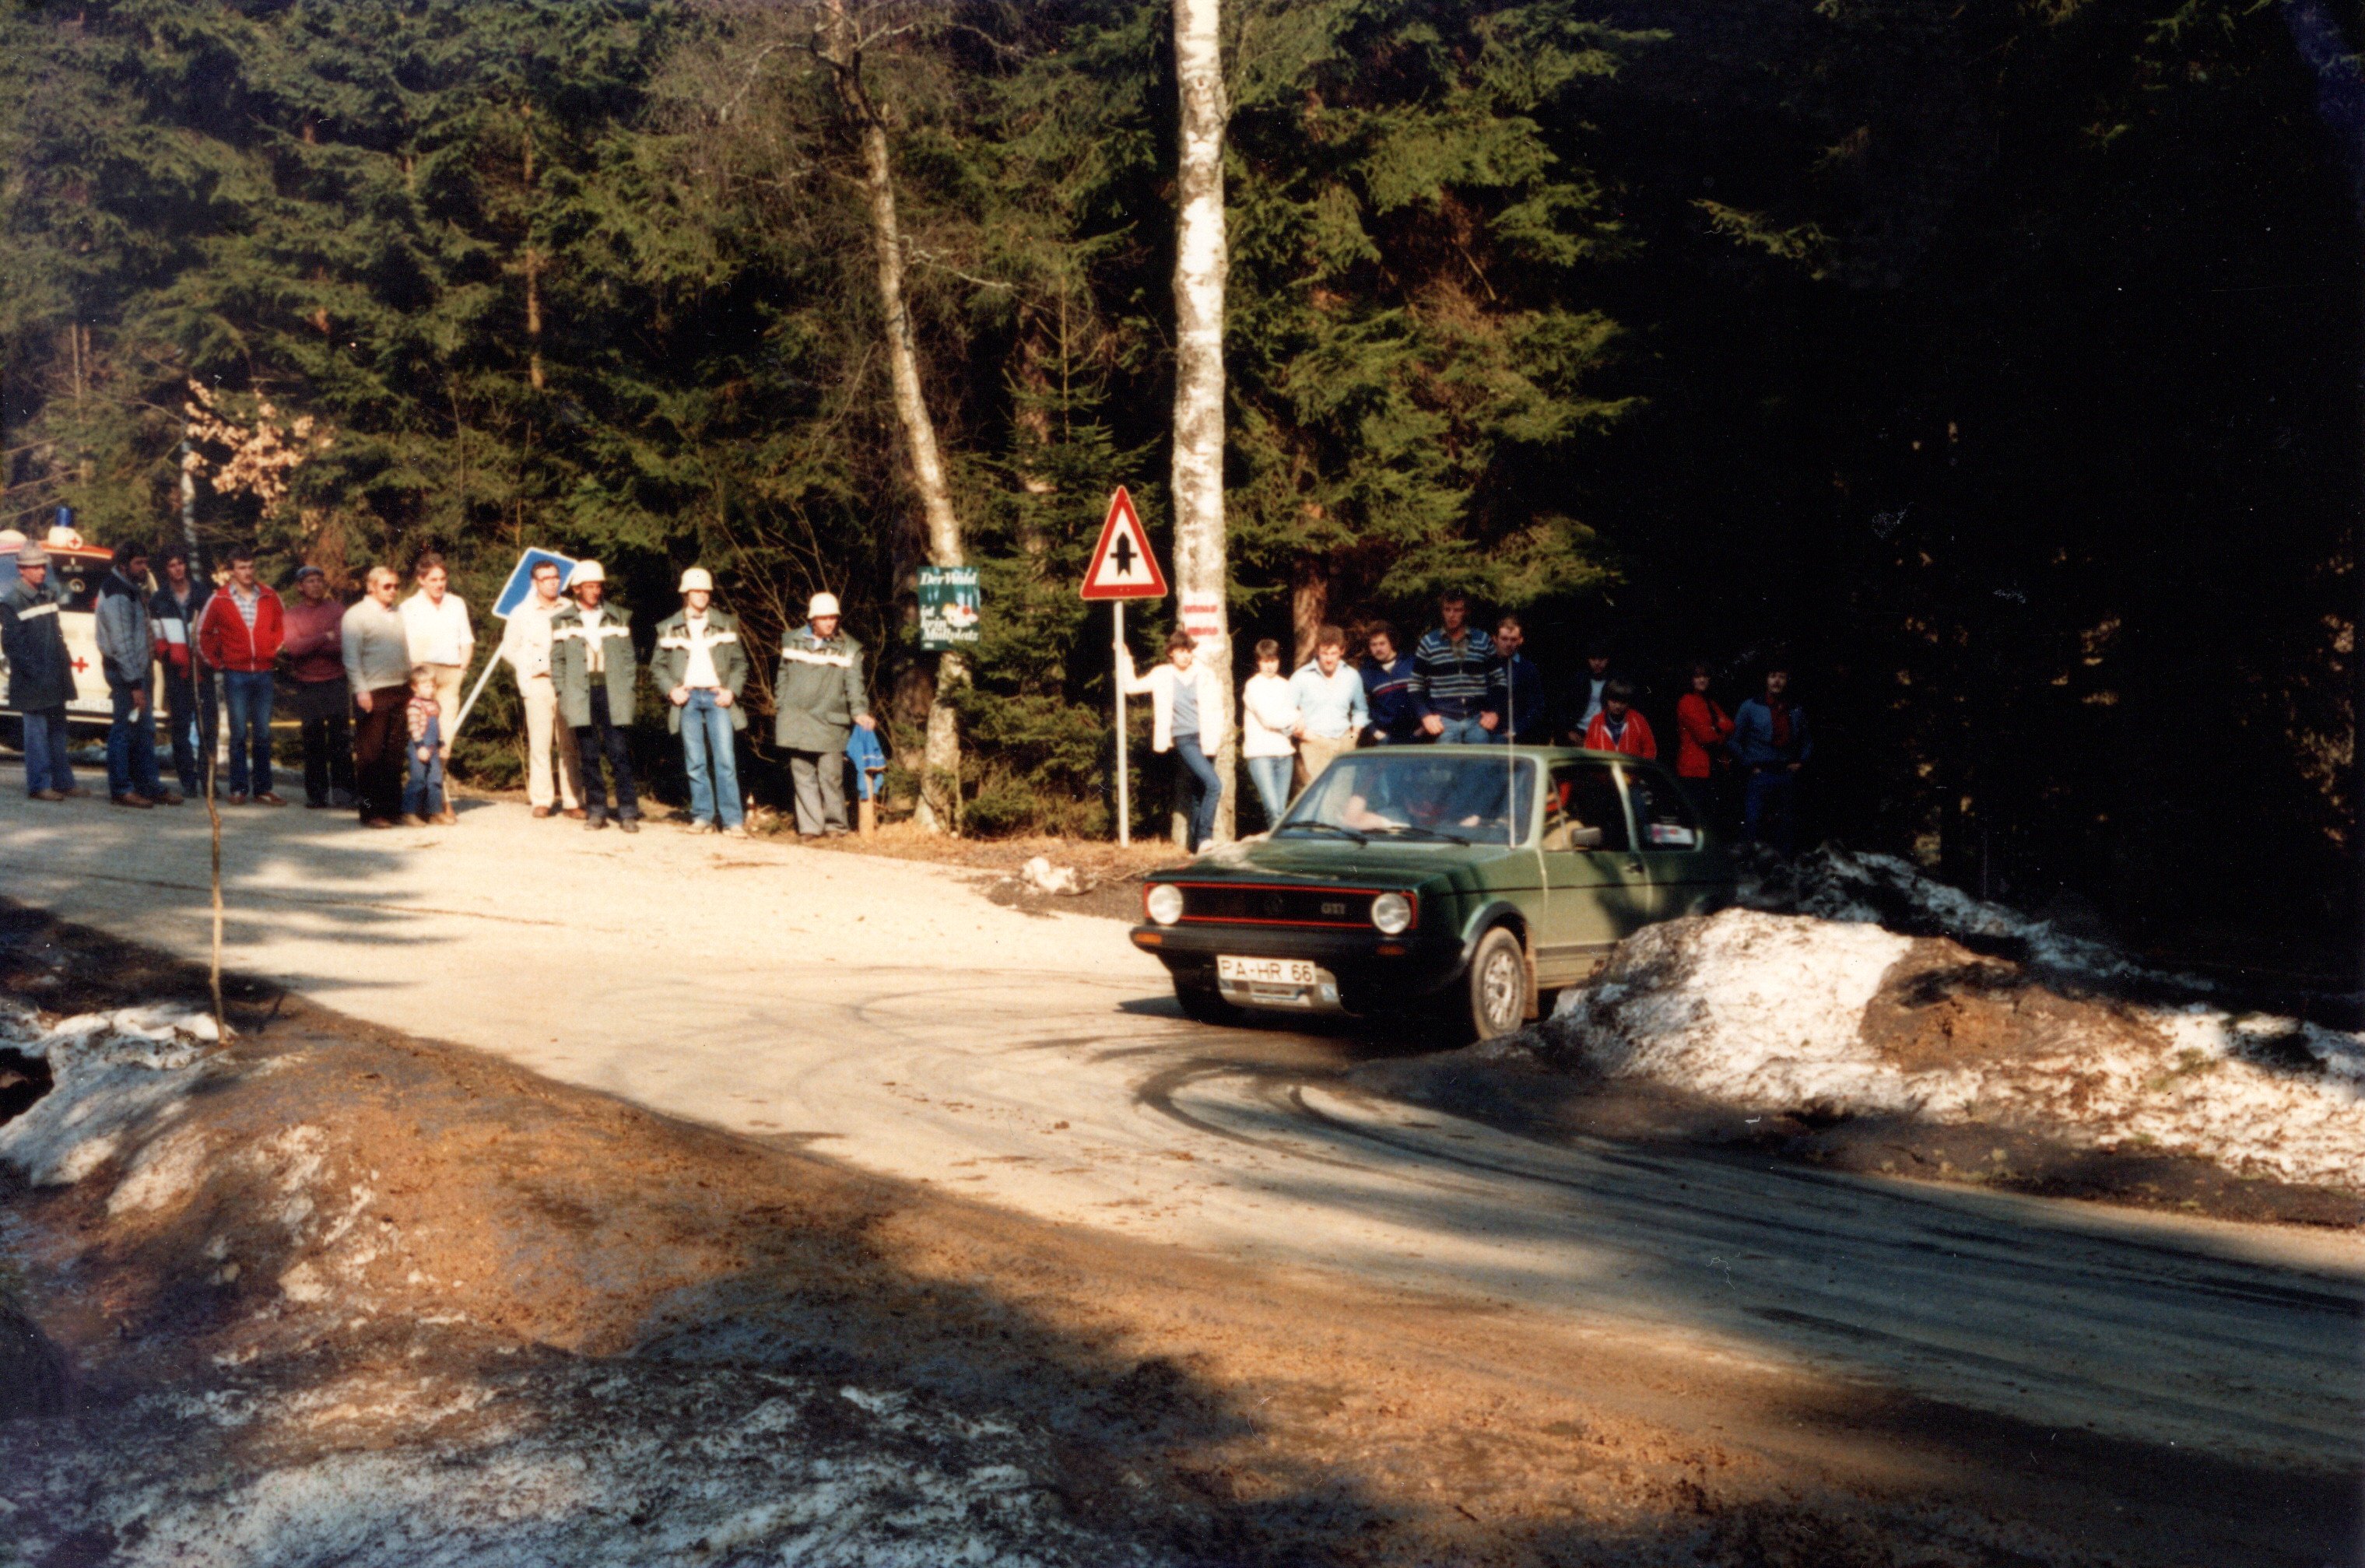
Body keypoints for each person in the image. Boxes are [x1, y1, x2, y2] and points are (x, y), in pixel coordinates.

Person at [651, 567, 749, 835]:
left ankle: (732, 821)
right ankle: (703, 816)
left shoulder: (727, 623)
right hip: (688, 699)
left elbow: (741, 664)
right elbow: (657, 667)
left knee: (725, 759)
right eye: (696, 591)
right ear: (686, 593)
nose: (702, 595)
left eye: (706, 591)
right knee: (695, 760)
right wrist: (672, 690)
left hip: (719, 698)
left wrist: (732, 691)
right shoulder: (668, 626)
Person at [773, 591, 874, 837]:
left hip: (830, 722)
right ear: (812, 619)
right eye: (823, 618)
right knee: (803, 776)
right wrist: (782, 703)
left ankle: (836, 827)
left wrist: (860, 711)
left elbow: (854, 684)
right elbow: (782, 677)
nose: (829, 622)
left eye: (833, 617)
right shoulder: (792, 641)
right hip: (796, 721)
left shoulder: (849, 648)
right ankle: (810, 828)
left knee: (831, 778)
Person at [1118, 629, 1227, 852]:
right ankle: (1206, 837)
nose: (1185, 656)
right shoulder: (1162, 674)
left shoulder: (1204, 674)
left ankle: (1196, 849)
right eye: (1180, 652)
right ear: (1171, 653)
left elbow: (1218, 707)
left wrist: (1219, 733)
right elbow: (1130, 688)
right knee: (1215, 785)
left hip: (1207, 738)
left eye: (1188, 652)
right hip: (1184, 739)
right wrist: (1125, 658)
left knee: (1200, 793)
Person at [551, 559, 640, 833]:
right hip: (580, 693)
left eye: (598, 585)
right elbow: (556, 660)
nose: (595, 591)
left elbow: (628, 659)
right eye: (589, 586)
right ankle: (597, 810)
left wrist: (627, 688)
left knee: (619, 752)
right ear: (577, 589)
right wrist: (563, 691)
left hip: (611, 692)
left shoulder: (618, 616)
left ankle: (627, 811)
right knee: (588, 755)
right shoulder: (561, 620)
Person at [195, 545, 287, 805]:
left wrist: (271, 650)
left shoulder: (269, 595)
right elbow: (203, 633)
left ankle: (263, 789)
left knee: (263, 732)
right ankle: (238, 788)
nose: (247, 573)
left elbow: (282, 627)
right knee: (237, 733)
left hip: (264, 673)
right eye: (241, 568)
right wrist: (216, 661)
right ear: (231, 572)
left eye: (250, 567)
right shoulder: (221, 599)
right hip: (235, 674)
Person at [495, 556, 583, 820]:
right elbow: (510, 649)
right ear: (535, 582)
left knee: (570, 743)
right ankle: (542, 800)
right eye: (546, 578)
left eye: (556, 577)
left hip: (568, 684)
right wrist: (536, 663)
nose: (553, 582)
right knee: (540, 744)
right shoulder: (523, 612)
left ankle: (573, 800)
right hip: (538, 682)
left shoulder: (570, 608)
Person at [93, 539, 172, 809]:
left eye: (146, 562)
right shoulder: (116, 593)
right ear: (123, 565)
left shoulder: (131, 589)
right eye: (138, 563)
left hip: (139, 671)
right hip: (126, 674)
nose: (144, 567)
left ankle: (148, 786)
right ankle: (122, 789)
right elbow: (122, 643)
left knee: (144, 730)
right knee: (124, 730)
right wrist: (135, 684)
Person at [1, 544, 79, 802]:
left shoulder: (48, 593)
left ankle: (64, 781)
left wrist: (65, 659)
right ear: (22, 570)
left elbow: (57, 632)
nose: (41, 571)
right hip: (31, 680)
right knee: (36, 733)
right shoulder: (12, 601)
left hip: (54, 675)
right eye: (34, 566)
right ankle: (39, 785)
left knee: (58, 730)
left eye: (43, 566)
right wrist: (34, 672)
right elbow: (13, 645)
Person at [398, 551, 472, 824]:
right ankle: (416, 804)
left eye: (443, 579)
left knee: (444, 740)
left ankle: (440, 799)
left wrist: (462, 670)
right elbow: (403, 646)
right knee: (421, 737)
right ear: (421, 580)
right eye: (433, 579)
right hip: (423, 676)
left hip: (450, 675)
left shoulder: (456, 604)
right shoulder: (409, 607)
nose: (439, 584)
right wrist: (415, 679)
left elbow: (466, 639)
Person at [342, 565, 413, 830]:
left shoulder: (398, 613)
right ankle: (371, 813)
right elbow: (351, 657)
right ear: (371, 587)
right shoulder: (355, 616)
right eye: (387, 586)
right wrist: (361, 690)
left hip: (400, 688)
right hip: (372, 692)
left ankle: (392, 809)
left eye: (395, 586)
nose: (393, 591)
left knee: (394, 752)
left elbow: (405, 649)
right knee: (371, 754)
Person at [280, 564, 354, 809]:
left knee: (340, 739)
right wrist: (324, 637)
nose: (316, 585)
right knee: (313, 739)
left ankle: (344, 793)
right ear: (300, 586)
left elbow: (342, 645)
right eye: (310, 581)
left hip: (335, 681)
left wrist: (310, 643)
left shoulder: (336, 610)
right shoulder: (291, 616)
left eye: (319, 581)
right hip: (307, 684)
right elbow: (294, 649)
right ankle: (317, 795)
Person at [149, 545, 216, 801]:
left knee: (207, 726)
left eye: (180, 564)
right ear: (165, 570)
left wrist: (206, 655)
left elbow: (214, 630)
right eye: (171, 566)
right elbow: (157, 637)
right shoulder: (159, 600)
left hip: (203, 670)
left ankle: (207, 778)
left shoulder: (203, 593)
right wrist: (169, 655)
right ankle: (187, 780)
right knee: (180, 728)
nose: (177, 569)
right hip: (177, 673)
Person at [1732, 664, 1812, 854]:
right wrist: (1749, 764)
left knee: (1785, 828)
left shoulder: (1795, 710)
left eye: (1782, 676)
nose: (1777, 681)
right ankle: (1751, 871)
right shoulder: (1750, 706)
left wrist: (1800, 762)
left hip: (1785, 775)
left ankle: (1783, 872)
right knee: (1753, 824)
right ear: (1766, 680)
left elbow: (1807, 741)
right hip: (1760, 774)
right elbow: (1734, 740)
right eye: (1773, 676)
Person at [1412, 590, 1497, 744]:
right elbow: (1415, 685)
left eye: (1457, 610)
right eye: (1447, 609)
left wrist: (1495, 712)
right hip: (1444, 721)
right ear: (1442, 611)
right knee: (1445, 766)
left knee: (1480, 765)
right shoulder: (1429, 643)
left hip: (1477, 720)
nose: (1452, 615)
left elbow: (1499, 680)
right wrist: (1425, 716)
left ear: (1466, 612)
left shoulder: (1482, 640)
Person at [1288, 624, 1366, 790]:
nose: (1329, 659)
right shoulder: (1301, 677)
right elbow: (1286, 712)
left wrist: (1354, 737)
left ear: (1342, 651)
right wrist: (1301, 731)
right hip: (1315, 743)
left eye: (1333, 653)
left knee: (1343, 797)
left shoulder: (1352, 676)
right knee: (1319, 798)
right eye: (1324, 653)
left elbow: (1361, 709)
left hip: (1345, 743)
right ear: (1317, 651)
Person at [1239, 637, 1300, 826]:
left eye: (1273, 660)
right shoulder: (1253, 685)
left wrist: (1291, 718)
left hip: (1284, 753)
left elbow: (1298, 712)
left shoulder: (1286, 684)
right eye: (1265, 661)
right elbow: (1268, 719)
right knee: (1273, 809)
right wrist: (1289, 720)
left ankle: (1277, 850)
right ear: (1258, 661)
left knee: (1281, 811)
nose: (1269, 666)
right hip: (1260, 755)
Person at [1673, 661, 1735, 823]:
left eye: (1705, 676)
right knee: (1696, 820)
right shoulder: (1686, 701)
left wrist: (1715, 730)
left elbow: (1730, 725)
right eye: (1697, 676)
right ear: (1691, 680)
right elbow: (1705, 736)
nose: (1702, 680)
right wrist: (1719, 731)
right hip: (1694, 770)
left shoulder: (1711, 702)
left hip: (1711, 767)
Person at [1486, 613, 1549, 744]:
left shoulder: (1528, 669)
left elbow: (1537, 707)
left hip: (1515, 736)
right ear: (1495, 639)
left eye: (1513, 639)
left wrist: (1516, 730)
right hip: (1484, 732)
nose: (1509, 644)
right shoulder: (1484, 665)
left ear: (1520, 640)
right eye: (1504, 639)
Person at [400, 665, 447, 826]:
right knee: (418, 780)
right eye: (426, 686)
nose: (431, 689)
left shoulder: (434, 704)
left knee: (435, 779)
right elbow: (413, 727)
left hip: (433, 748)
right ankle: (409, 812)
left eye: (433, 685)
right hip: (419, 747)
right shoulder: (415, 704)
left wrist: (441, 744)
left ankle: (435, 812)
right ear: (415, 687)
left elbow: (437, 726)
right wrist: (420, 747)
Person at [1360, 623, 1422, 745]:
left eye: (1382, 643)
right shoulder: (1366, 673)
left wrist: (1421, 731)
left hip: (1418, 735)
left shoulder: (1412, 663)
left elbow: (1429, 695)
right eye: (1374, 645)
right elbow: (1362, 708)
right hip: (1386, 739)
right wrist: (1377, 734)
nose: (1378, 648)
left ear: (1392, 642)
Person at [1581, 678, 1658, 759]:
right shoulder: (1596, 721)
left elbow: (1650, 749)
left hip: (1632, 769)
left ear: (1628, 702)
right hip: (1605, 770)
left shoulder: (1638, 720)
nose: (1618, 706)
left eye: (1622, 702)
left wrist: (1640, 769)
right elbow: (1590, 751)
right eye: (1614, 701)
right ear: (1607, 700)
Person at [1563, 639, 1619, 742]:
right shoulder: (1578, 680)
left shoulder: (1615, 682)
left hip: (1603, 733)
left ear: (1608, 659)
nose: (1597, 663)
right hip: (1578, 732)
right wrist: (1568, 731)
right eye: (1593, 659)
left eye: (1602, 659)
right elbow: (1563, 708)